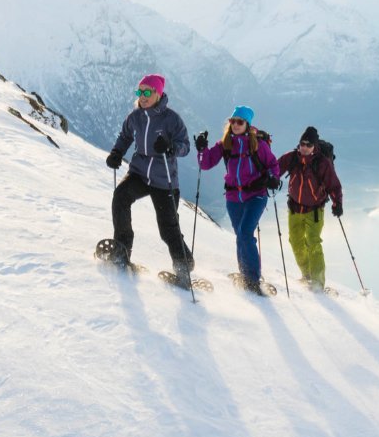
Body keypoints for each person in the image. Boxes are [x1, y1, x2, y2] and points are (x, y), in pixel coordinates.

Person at [105, 73, 193, 284]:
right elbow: (125, 136)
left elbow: (185, 146)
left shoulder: (171, 119)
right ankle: (122, 251)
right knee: (121, 197)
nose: (142, 96)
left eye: (147, 92)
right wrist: (117, 152)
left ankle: (184, 267)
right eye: (139, 91)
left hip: (164, 181)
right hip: (139, 173)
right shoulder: (135, 116)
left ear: (158, 93)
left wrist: (171, 148)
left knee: (168, 228)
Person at [195, 105, 280, 294]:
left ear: (247, 124)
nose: (235, 125)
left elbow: (273, 164)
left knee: (244, 232)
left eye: (239, 122)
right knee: (240, 236)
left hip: (256, 195)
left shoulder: (258, 144)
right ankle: (245, 273)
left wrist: (273, 178)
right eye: (232, 121)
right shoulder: (225, 143)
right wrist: (201, 149)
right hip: (234, 197)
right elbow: (205, 163)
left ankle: (252, 279)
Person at [276, 126, 343, 291]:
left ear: (315, 146)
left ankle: (318, 283)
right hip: (294, 208)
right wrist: (269, 180)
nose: (304, 147)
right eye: (302, 144)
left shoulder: (322, 163)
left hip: (314, 211)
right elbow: (274, 169)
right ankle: (307, 275)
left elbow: (333, 184)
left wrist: (337, 203)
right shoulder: (291, 158)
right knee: (295, 241)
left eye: (308, 144)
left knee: (314, 243)